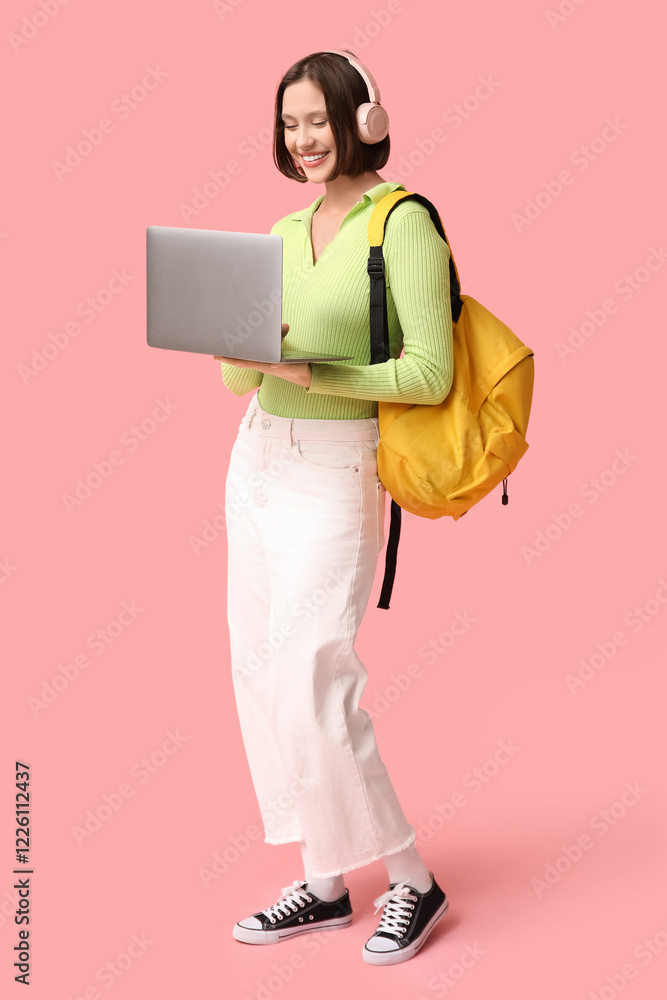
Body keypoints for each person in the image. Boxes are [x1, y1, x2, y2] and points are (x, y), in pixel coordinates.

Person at [214, 50, 454, 966]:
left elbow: (427, 374)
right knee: (261, 675)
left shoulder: (403, 225)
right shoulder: (279, 230)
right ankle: (322, 881)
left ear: (360, 119)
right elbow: (244, 373)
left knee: (315, 677)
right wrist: (227, 333)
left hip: (333, 468)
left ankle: (411, 879)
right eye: (289, 124)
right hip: (258, 460)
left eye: (317, 119)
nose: (303, 139)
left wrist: (314, 370)